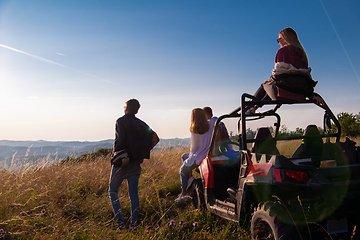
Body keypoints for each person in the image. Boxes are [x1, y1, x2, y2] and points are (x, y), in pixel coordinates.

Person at [246, 27, 322, 114]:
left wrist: (271, 80)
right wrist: (311, 95)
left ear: (286, 38)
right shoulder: (302, 54)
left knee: (265, 85)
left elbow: (278, 73)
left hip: (283, 93)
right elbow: (305, 77)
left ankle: (247, 107)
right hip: (300, 95)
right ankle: (253, 108)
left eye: (279, 39)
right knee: (271, 85)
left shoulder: (283, 51)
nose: (278, 42)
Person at [109, 99, 159, 230]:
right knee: (133, 194)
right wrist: (142, 154)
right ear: (137, 110)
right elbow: (155, 138)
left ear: (126, 108)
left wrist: (116, 156)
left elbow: (119, 140)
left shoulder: (121, 121)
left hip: (122, 162)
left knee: (113, 191)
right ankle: (133, 224)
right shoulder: (141, 124)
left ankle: (120, 223)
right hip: (136, 163)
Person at [175, 108, 214, 202]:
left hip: (201, 155)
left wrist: (191, 157)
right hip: (211, 152)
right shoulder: (212, 124)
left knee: (183, 169)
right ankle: (190, 179)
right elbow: (215, 118)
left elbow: (194, 149)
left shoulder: (195, 129)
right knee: (184, 156)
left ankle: (184, 193)